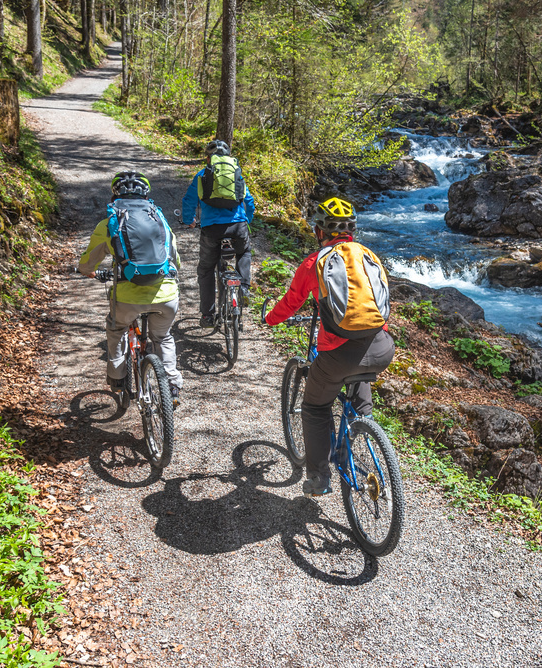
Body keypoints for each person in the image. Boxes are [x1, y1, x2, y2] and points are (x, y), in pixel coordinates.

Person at [265, 197, 395, 496]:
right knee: (358, 385)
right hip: (382, 346)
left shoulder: (315, 262)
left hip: (339, 354)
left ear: (318, 231)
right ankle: (360, 431)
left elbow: (291, 303)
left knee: (314, 407)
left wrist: (271, 320)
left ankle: (319, 478)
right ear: (352, 231)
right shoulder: (368, 256)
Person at [78, 171, 184, 406]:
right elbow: (175, 258)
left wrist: (89, 271)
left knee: (116, 329)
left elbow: (87, 264)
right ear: (146, 194)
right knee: (163, 336)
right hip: (165, 294)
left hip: (127, 296)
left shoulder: (109, 224)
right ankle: (173, 385)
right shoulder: (160, 219)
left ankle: (117, 379)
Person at [181, 139, 255, 329]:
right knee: (244, 253)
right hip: (237, 227)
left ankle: (207, 315)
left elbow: (189, 200)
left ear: (208, 158)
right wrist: (247, 219)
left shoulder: (202, 174)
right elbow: (249, 200)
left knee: (206, 269)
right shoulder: (237, 173)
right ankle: (244, 289)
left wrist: (189, 220)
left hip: (212, 230)